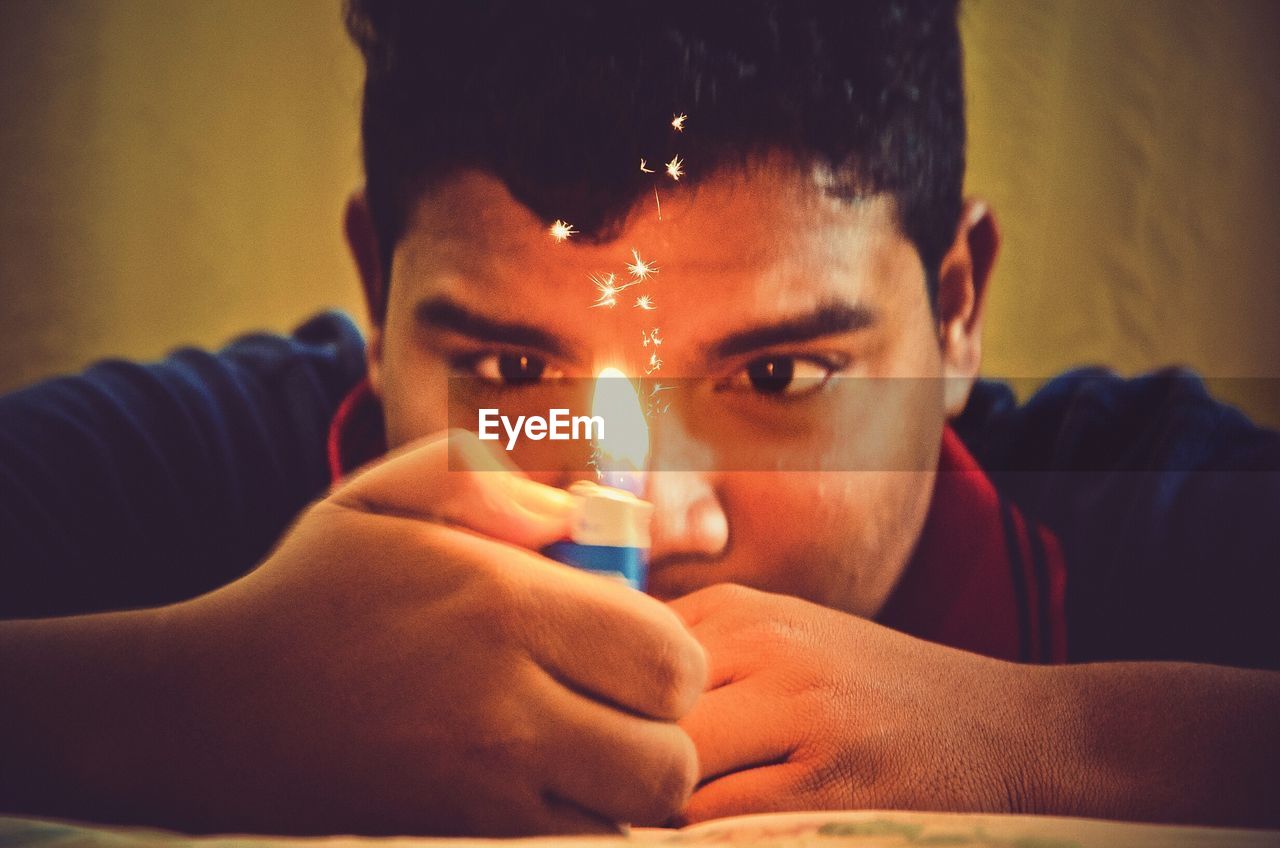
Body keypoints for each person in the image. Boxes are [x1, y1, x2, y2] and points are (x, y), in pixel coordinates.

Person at [2, 0, 1278, 836]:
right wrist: (194, 697)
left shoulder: (1132, 502)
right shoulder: (205, 464)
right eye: (509, 372)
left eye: (777, 377)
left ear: (953, 310)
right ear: (373, 292)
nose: (653, 517)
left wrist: (1040, 741)